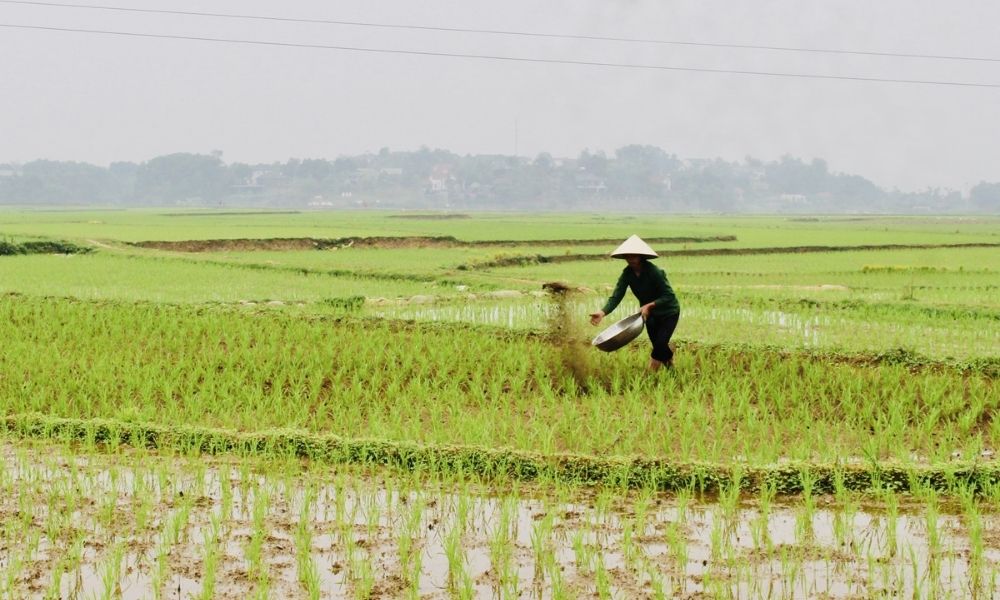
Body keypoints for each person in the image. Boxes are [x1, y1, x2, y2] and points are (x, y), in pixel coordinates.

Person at [590, 235, 681, 371]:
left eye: (634, 256)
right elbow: (617, 296)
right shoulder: (627, 274)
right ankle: (671, 367)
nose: (631, 259)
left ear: (641, 256)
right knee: (658, 345)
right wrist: (602, 312)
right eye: (628, 256)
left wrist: (649, 305)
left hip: (669, 312)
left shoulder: (654, 272)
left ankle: (650, 372)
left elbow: (669, 296)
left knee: (660, 344)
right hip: (649, 315)